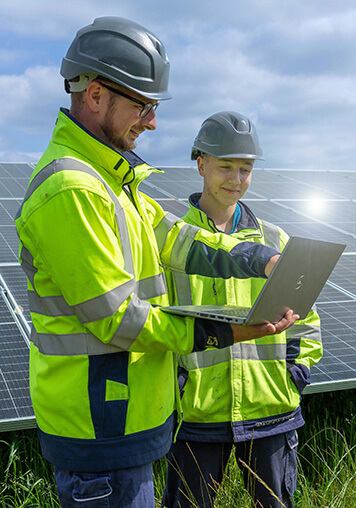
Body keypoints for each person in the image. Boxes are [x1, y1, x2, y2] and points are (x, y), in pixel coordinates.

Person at [15, 18, 298, 508]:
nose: (151, 122)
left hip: (124, 420)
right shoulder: (73, 190)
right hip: (100, 428)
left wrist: (263, 259)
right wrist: (226, 332)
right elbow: (116, 318)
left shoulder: (112, 183)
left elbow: (181, 241)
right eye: (143, 106)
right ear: (97, 95)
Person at [162, 111, 322, 508]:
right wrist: (175, 389)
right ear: (201, 163)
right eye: (225, 167)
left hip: (271, 412)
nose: (236, 180)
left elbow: (307, 320)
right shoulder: (172, 240)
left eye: (245, 169)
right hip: (196, 417)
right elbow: (153, 319)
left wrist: (292, 375)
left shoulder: (275, 239)